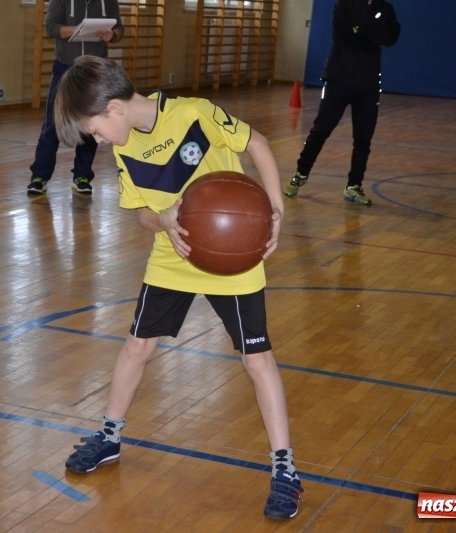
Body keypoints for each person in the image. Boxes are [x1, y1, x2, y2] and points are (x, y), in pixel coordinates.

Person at [53, 55, 303, 520]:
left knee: (256, 359)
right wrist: (165, 221)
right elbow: (143, 214)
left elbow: (260, 145)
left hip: (233, 258)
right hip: (174, 254)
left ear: (113, 109)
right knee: (136, 346)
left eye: (93, 130)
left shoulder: (194, 114)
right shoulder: (124, 146)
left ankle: (284, 468)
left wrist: (275, 211)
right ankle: (109, 436)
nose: (96, 140)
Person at [284, 0, 400, 205]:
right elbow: (342, 36)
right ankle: (300, 173)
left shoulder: (385, 8)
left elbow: (391, 37)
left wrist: (361, 30)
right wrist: (371, 34)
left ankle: (354, 186)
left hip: (369, 85)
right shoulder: (345, 4)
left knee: (363, 139)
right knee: (320, 130)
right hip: (338, 79)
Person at [26, 0, 124, 195]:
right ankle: (39, 176)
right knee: (53, 123)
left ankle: (82, 176)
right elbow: (51, 27)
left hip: (94, 70)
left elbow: (119, 29)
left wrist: (112, 35)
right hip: (65, 68)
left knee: (91, 123)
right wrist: (76, 30)